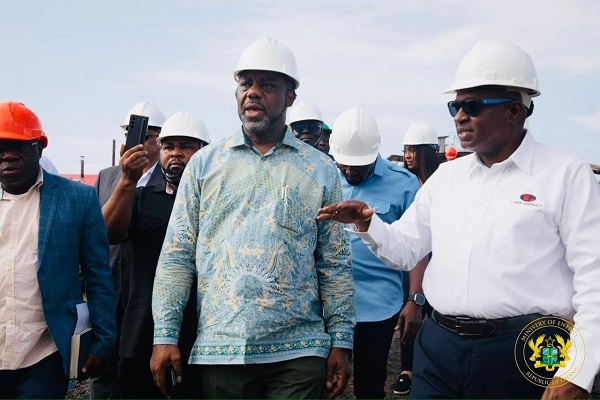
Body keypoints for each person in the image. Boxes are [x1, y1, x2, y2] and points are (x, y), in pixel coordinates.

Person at [318, 40, 600, 399]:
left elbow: (595, 281)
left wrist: (576, 371)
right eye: (455, 105)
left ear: (515, 110)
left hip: (528, 350)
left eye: (473, 105)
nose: (458, 116)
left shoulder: (566, 175)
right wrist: (367, 223)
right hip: (440, 348)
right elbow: (405, 251)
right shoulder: (447, 179)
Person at [149, 37, 355, 399]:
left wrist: (341, 340)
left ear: (290, 96)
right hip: (221, 349)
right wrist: (164, 334)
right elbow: (177, 254)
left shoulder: (320, 170)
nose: (253, 93)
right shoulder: (205, 165)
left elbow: (334, 263)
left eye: (268, 84)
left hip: (300, 349)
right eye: (246, 83)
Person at [0, 101, 116, 398]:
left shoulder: (77, 199)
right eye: (1, 146)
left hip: (45, 354)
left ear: (39, 148)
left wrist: (103, 341)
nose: (8, 155)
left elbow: (98, 275)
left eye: (19, 146)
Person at [102, 111, 209, 398]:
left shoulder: (218, 204)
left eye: (187, 146)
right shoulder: (141, 197)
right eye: (168, 146)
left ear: (205, 152)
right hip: (141, 334)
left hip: (201, 335)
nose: (176, 153)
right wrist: (126, 181)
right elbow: (109, 234)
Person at [328, 107, 422, 399]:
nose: (351, 172)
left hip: (377, 305)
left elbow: (418, 248)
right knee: (322, 382)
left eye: (359, 166)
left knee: (370, 385)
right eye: (345, 165)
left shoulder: (404, 184)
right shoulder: (323, 177)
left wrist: (414, 300)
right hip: (326, 302)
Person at [90, 101, 166, 399]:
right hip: (109, 291)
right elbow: (98, 231)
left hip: (145, 294)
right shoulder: (107, 176)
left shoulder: (171, 178)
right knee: (103, 372)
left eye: (146, 136)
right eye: (130, 134)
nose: (136, 142)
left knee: (138, 375)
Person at [392, 121, 440, 396]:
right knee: (409, 312)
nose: (408, 155)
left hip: (440, 260)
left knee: (435, 317)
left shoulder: (442, 180)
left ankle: (428, 367)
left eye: (413, 150)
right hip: (412, 261)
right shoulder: (403, 184)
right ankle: (406, 370)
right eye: (406, 150)